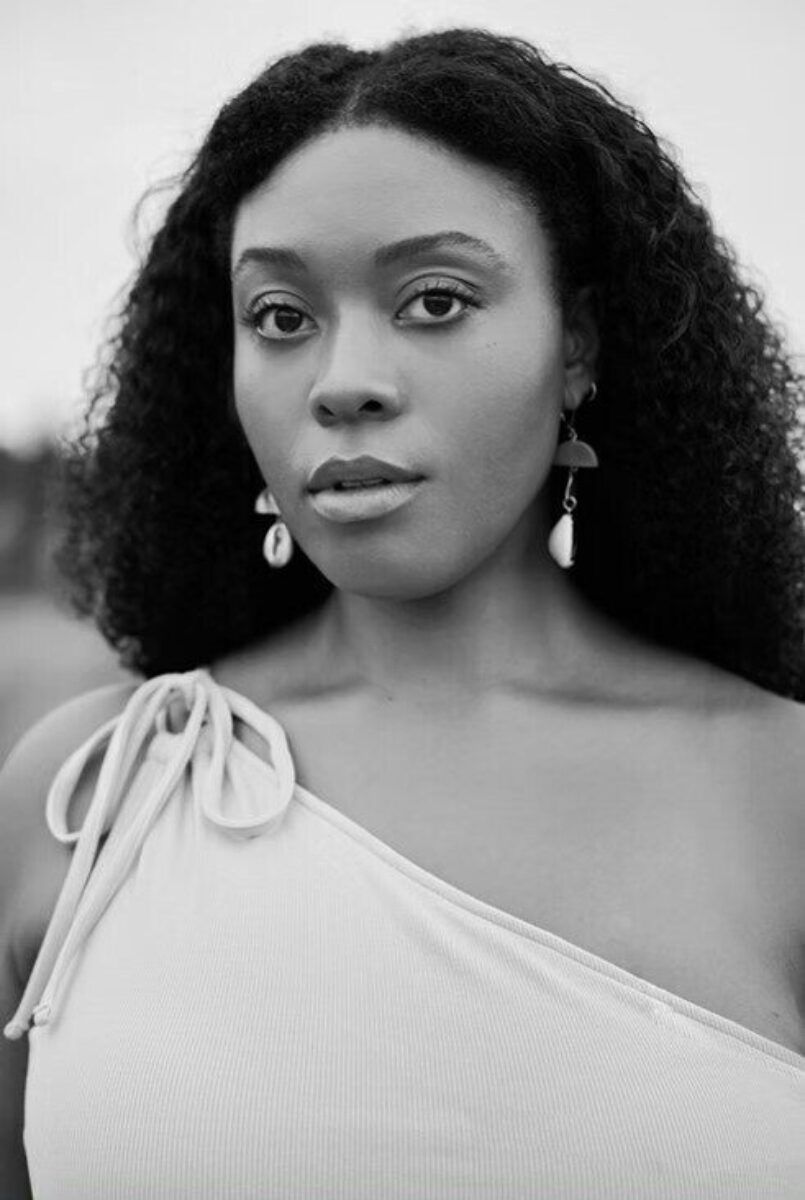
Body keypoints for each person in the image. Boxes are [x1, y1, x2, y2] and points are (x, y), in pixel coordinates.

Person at [1, 24, 804, 1199]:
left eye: (434, 300)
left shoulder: (779, 796)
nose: (344, 384)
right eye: (281, 317)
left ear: (577, 345)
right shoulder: (87, 795)